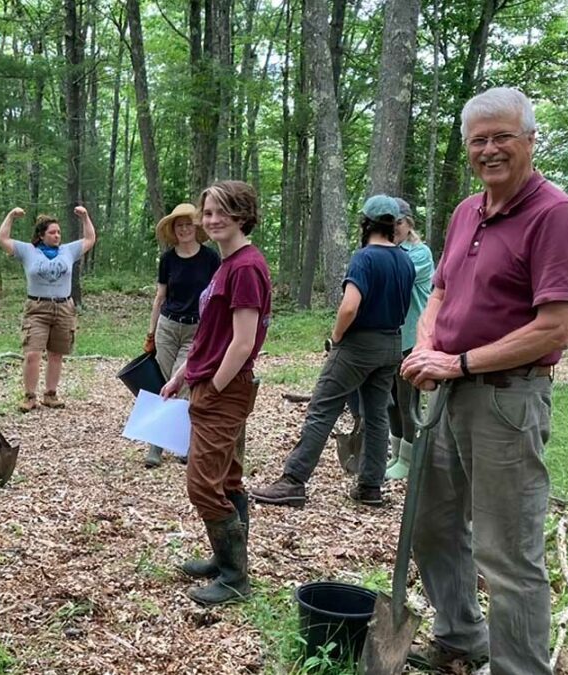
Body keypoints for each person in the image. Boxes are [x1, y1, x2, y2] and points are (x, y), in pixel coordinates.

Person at [400, 87, 568, 673]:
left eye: (503, 136)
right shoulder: (466, 211)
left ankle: (521, 669)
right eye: (479, 140)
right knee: (433, 527)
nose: (490, 149)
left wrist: (457, 362)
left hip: (507, 401)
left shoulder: (556, 214)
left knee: (507, 554)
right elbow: (441, 291)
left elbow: (555, 327)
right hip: (447, 394)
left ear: (532, 140)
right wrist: (427, 345)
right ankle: (459, 635)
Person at [250, 195, 414, 507]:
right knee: (376, 415)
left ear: (365, 223)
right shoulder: (405, 260)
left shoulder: (365, 258)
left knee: (323, 408)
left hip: (358, 345)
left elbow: (350, 306)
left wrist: (337, 337)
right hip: (391, 344)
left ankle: (294, 480)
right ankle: (370, 487)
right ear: (392, 225)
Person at [160, 180, 270, 606]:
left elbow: (242, 342)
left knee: (203, 485)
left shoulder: (245, 267)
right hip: (209, 381)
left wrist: (213, 387)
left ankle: (233, 577)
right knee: (228, 478)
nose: (212, 220)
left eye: (222, 211)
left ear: (242, 214)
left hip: (224, 389)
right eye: (207, 213)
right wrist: (183, 375)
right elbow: (211, 333)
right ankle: (226, 561)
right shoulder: (227, 264)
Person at [142, 202, 221, 468]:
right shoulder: (168, 259)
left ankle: (180, 442)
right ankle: (157, 444)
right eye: (179, 225)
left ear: (196, 228)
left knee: (183, 380)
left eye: (189, 224)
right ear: (173, 230)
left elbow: (216, 297)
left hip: (197, 328)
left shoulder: (211, 259)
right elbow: (160, 297)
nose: (184, 229)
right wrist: (151, 332)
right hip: (168, 325)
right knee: (164, 381)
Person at [0, 205, 97, 411]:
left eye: (59, 232)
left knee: (56, 353)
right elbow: (3, 240)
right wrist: (11, 217)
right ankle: (29, 396)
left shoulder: (68, 250)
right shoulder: (28, 251)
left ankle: (50, 394)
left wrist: (85, 217)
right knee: (32, 353)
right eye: (52, 232)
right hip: (37, 307)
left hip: (63, 307)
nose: (57, 235)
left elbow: (90, 239)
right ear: (41, 236)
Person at [383, 198, 434, 481]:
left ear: (408, 223)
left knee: (407, 400)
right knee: (390, 399)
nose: (394, 229)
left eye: (398, 223)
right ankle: (396, 454)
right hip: (390, 337)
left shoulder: (419, 253)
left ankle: (410, 456)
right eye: (388, 224)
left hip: (413, 337)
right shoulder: (387, 251)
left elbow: (396, 277)